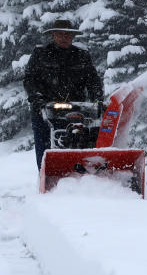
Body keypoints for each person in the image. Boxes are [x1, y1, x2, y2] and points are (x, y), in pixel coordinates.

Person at [23, 19, 104, 168]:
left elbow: (93, 81)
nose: (64, 38)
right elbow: (30, 80)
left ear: (73, 37)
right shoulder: (41, 54)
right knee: (45, 144)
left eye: (67, 35)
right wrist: (37, 98)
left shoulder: (81, 55)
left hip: (75, 108)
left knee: (84, 138)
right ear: (53, 35)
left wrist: (97, 98)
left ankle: (84, 171)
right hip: (45, 109)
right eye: (60, 34)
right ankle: (45, 173)